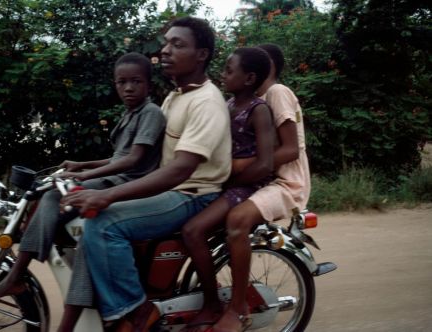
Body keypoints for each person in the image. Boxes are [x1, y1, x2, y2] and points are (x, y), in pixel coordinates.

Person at [60, 16, 232, 331]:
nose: (165, 50)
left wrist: (107, 194)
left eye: (177, 44)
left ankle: (135, 312)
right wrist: (88, 172)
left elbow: (181, 169)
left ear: (202, 54)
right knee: (91, 219)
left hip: (193, 195)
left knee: (104, 223)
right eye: (165, 43)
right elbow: (138, 157)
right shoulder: (176, 96)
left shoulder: (206, 102)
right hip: (172, 191)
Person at [0, 52, 166, 317]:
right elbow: (117, 157)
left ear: (148, 84)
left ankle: (16, 275)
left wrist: (84, 177)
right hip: (118, 176)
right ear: (115, 84)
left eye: (136, 81)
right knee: (51, 199)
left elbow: (133, 160)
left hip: (129, 183)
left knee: (53, 198)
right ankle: (28, 274)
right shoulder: (130, 114)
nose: (129, 88)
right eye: (122, 82)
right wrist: (81, 165)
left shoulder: (151, 113)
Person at [211, 43, 311, 332]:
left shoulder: (276, 93)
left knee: (237, 220)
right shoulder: (246, 101)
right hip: (262, 178)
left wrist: (241, 168)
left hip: (285, 182)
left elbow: (291, 149)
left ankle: (238, 306)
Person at [180, 47, 276, 332]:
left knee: (193, 231)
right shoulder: (227, 103)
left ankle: (219, 305)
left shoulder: (259, 110)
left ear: (249, 78)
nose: (222, 75)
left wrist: (230, 183)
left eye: (229, 70)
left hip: (244, 186)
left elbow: (266, 163)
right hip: (223, 182)